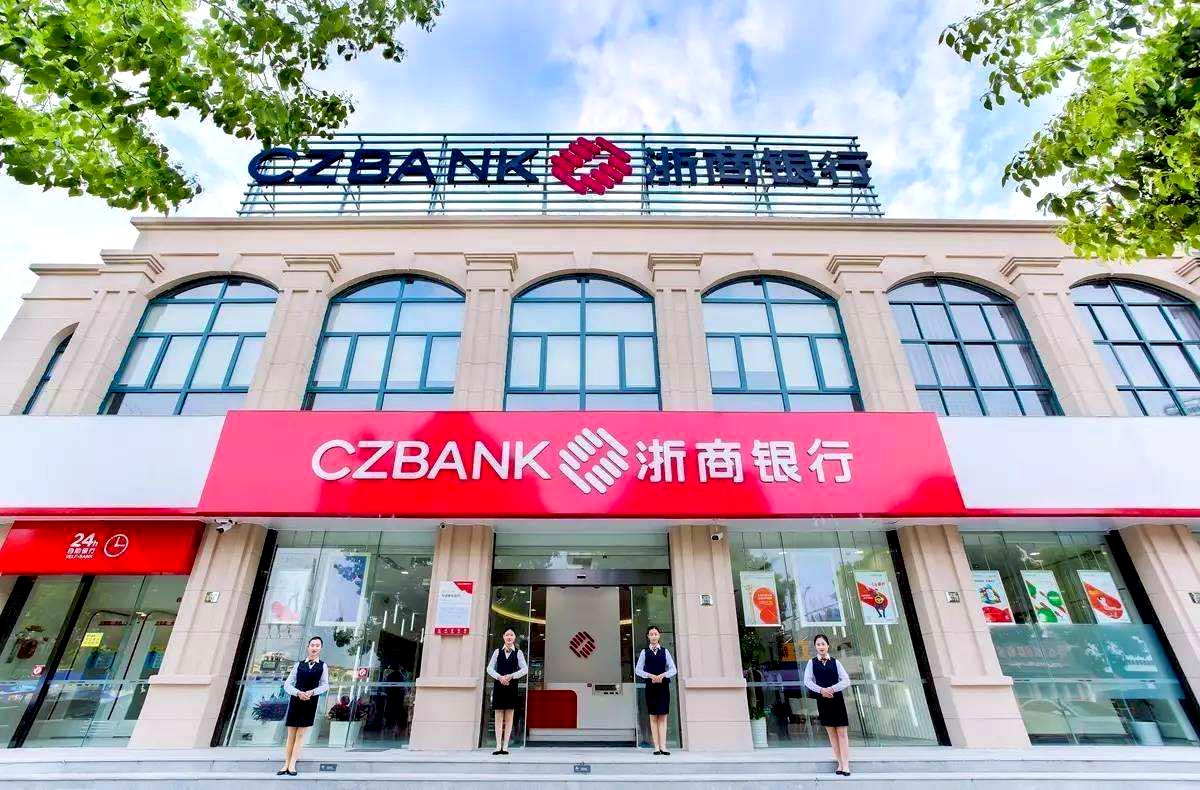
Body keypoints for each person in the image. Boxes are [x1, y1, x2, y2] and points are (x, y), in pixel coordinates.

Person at [278, 636, 329, 776]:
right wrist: (297, 693)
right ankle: (286, 764)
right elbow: (287, 684)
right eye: (312, 645)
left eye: (317, 645)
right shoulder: (298, 665)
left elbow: (325, 685)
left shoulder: (323, 666)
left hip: (310, 702)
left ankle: (292, 764)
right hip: (296, 701)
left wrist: (313, 692)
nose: (314, 648)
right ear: (308, 647)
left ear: (321, 648)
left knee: (300, 735)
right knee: (290, 735)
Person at [803, 633, 852, 776]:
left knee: (842, 733)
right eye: (818, 644)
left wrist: (832, 689)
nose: (821, 647)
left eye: (823, 644)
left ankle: (846, 765)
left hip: (837, 700)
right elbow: (807, 681)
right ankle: (839, 763)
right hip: (823, 701)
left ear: (828, 645)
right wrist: (821, 690)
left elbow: (846, 680)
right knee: (832, 734)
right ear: (815, 647)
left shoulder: (836, 662)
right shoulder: (811, 663)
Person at [634, 625, 677, 755]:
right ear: (648, 636)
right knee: (653, 716)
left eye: (655, 634)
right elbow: (638, 670)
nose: (653, 636)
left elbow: (673, 669)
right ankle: (656, 747)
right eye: (651, 634)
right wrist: (650, 676)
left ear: (659, 636)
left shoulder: (665, 651)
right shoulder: (644, 652)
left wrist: (663, 675)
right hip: (651, 687)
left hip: (663, 687)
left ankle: (663, 746)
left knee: (663, 716)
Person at [486, 627, 527, 755]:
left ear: (515, 637)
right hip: (499, 686)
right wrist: (499, 677)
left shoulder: (519, 653)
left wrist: (512, 676)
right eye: (507, 635)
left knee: (509, 717)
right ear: (503, 637)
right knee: (498, 716)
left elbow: (525, 669)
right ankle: (498, 746)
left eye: (511, 635)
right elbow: (489, 668)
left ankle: (505, 747)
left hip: (512, 686)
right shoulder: (497, 651)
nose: (509, 637)